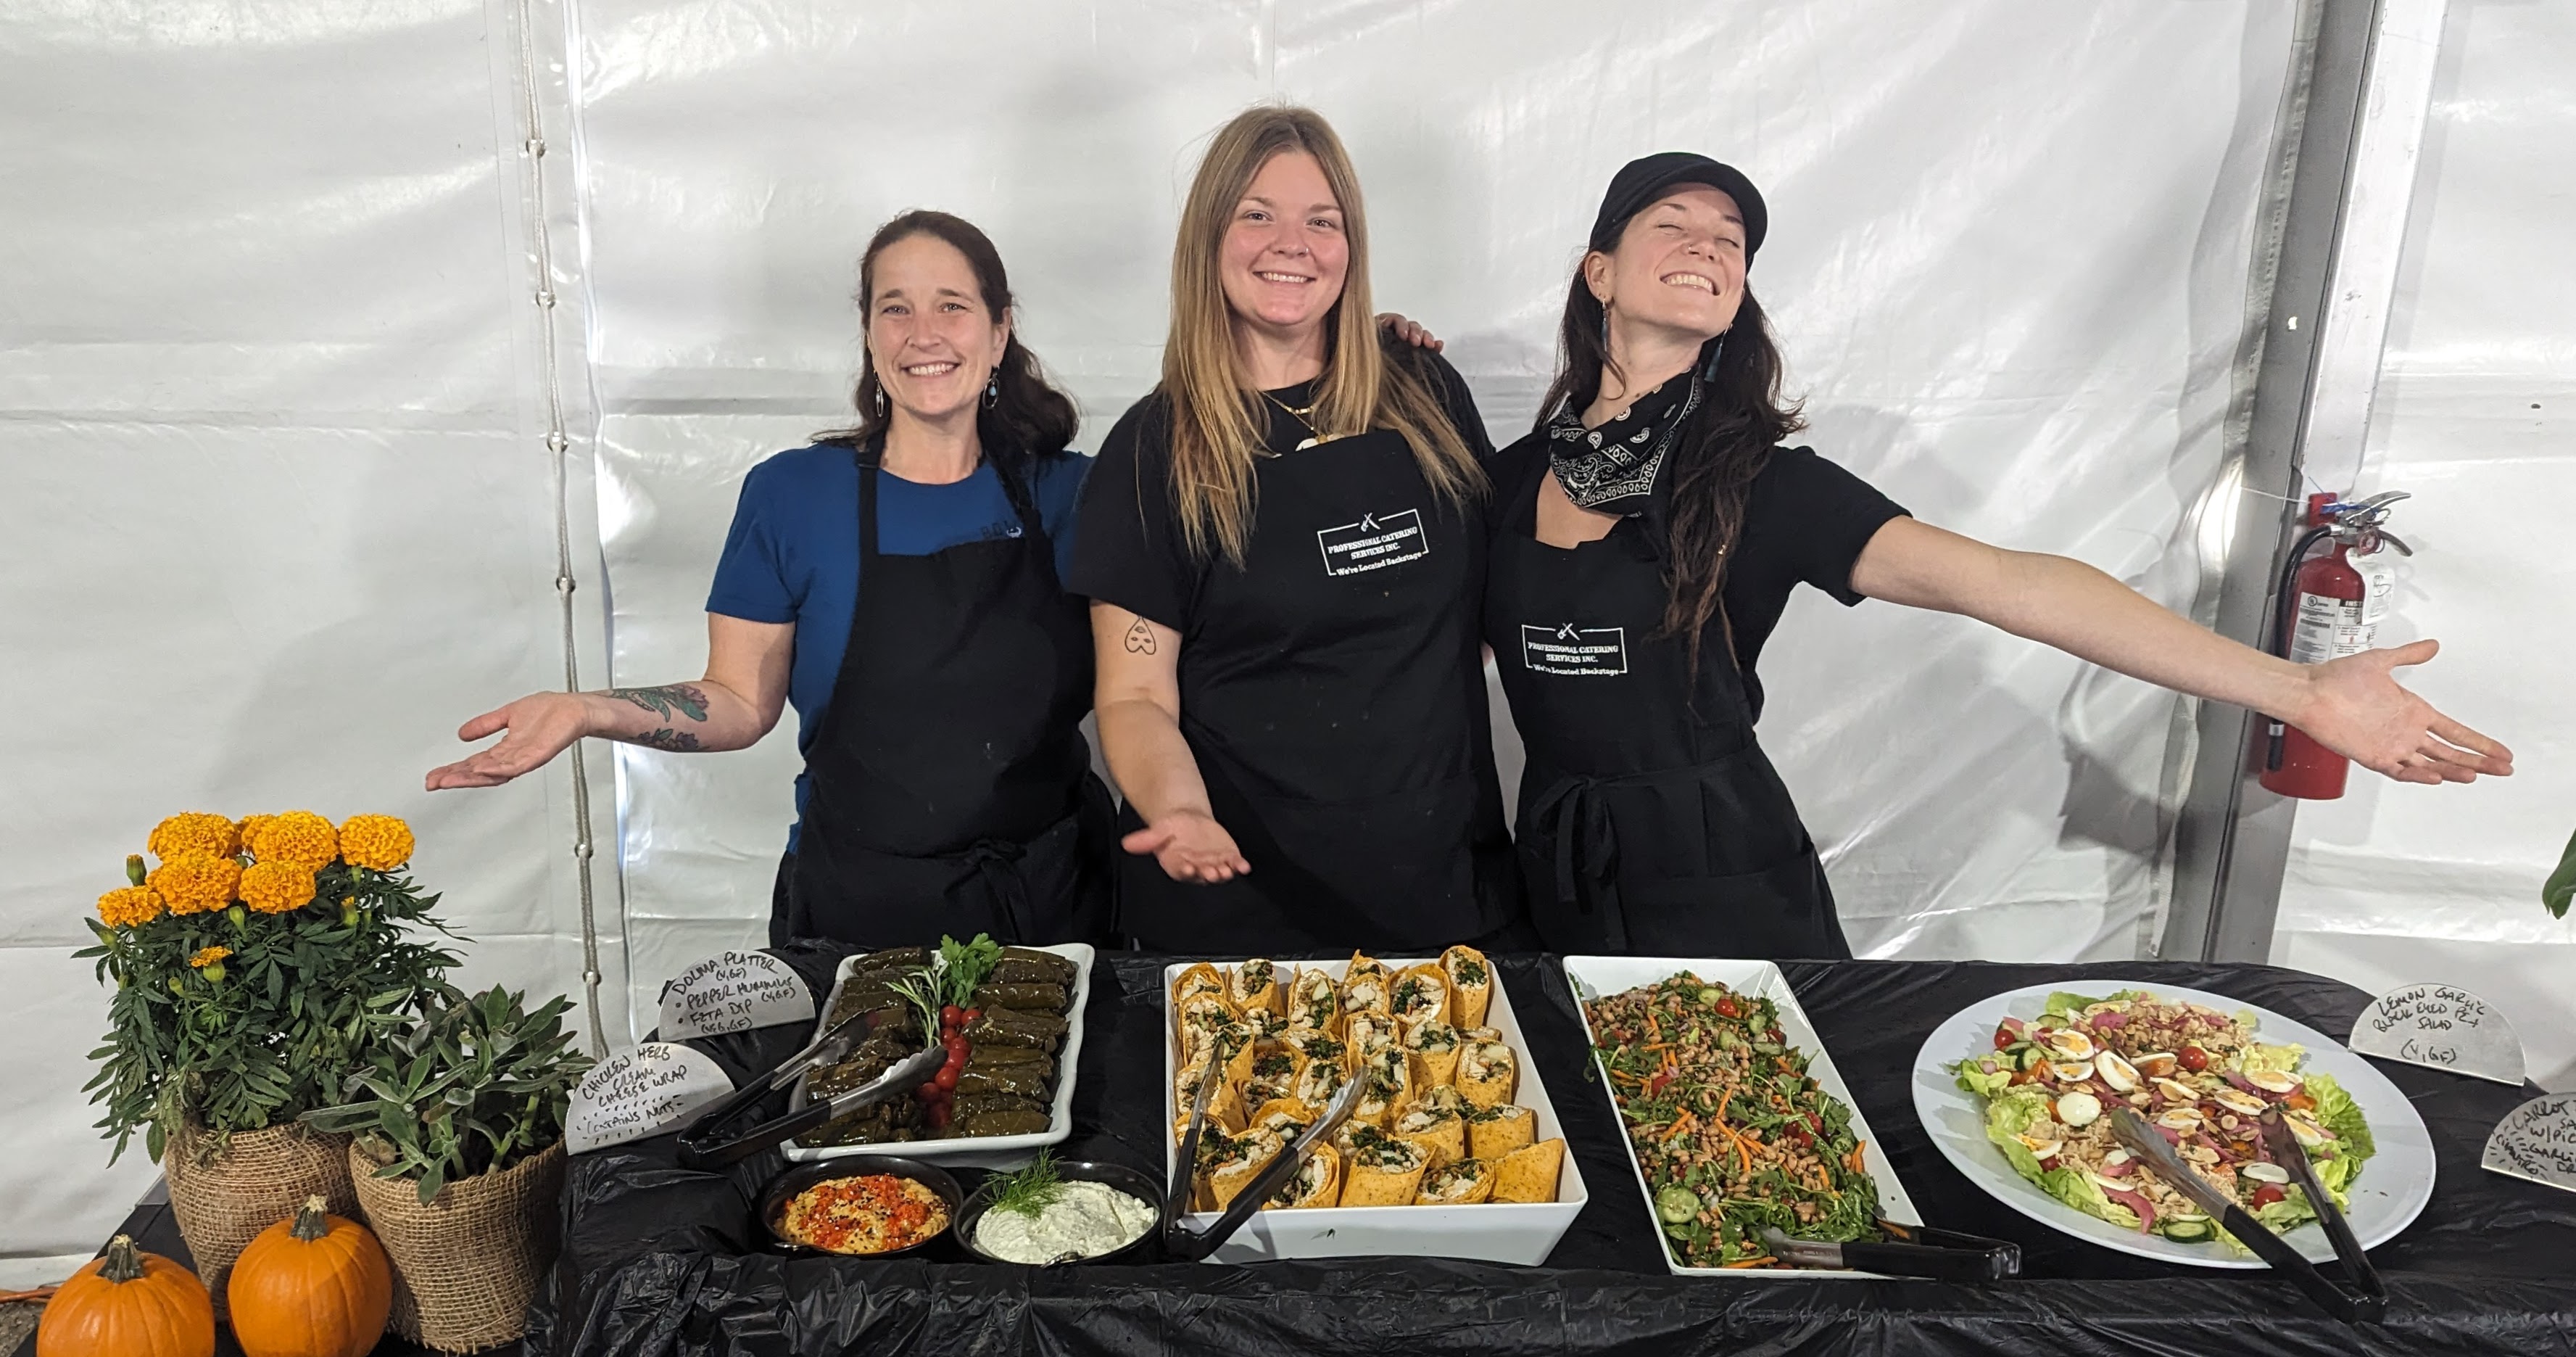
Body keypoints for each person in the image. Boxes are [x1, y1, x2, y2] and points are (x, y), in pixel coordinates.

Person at [1483, 153, 2514, 957]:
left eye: (1733, 239)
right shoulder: (1511, 472)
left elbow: (2014, 584)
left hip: (1717, 870)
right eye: (1674, 223)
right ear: (1599, 270)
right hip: (1558, 852)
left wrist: (2295, 689)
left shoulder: (1760, 480)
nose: (1710, 245)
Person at [428, 210, 1112, 949]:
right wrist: (590, 710)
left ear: (999, 329)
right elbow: (737, 701)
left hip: (1050, 901)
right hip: (859, 907)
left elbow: (1146, 684)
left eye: (952, 305)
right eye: (895, 308)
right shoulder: (793, 495)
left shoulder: (1076, 496)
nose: (924, 333)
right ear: (868, 332)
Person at [1070, 105, 1522, 954]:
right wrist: (1180, 812)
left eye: (1322, 220)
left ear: (1351, 247)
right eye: (1256, 215)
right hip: (1242, 910)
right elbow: (1134, 694)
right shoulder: (1153, 448)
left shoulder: (1425, 392)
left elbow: (1487, 608)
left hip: (1445, 893)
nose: (1293, 243)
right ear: (1208, 238)